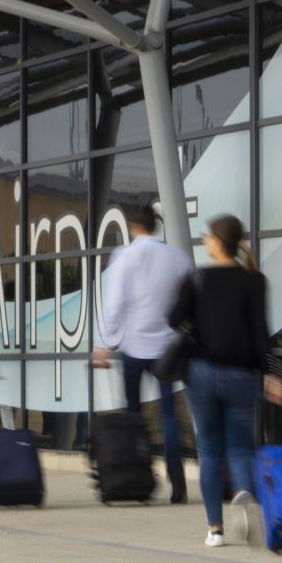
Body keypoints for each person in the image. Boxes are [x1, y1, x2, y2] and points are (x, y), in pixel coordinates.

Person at [169, 214, 282, 548]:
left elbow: (171, 318)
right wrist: (275, 376)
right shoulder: (255, 280)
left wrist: (197, 323)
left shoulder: (197, 279)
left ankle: (215, 530)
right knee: (240, 448)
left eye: (206, 236)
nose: (204, 240)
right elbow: (261, 336)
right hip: (242, 377)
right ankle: (244, 491)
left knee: (209, 450)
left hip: (202, 374)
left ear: (216, 242)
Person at [94, 202, 195, 504]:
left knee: (133, 417)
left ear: (133, 226)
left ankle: (138, 478)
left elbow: (114, 304)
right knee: (169, 416)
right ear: (156, 225)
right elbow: (190, 300)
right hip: (168, 348)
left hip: (135, 347)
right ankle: (178, 485)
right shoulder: (178, 258)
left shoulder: (124, 257)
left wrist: (104, 344)